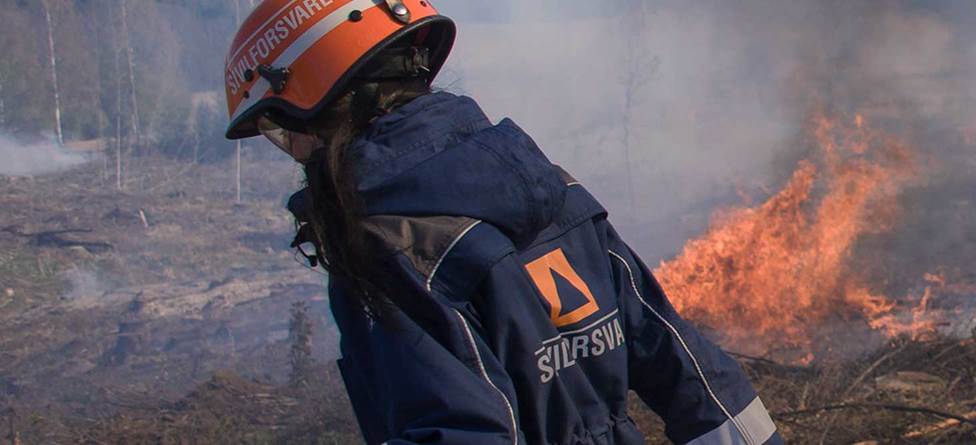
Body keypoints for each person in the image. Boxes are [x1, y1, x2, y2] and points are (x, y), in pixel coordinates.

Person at [219, 2, 780, 444]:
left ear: (324, 101)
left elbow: (462, 431)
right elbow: (691, 373)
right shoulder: (557, 190)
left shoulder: (388, 246)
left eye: (280, 127)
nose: (292, 150)